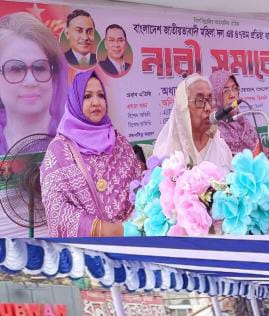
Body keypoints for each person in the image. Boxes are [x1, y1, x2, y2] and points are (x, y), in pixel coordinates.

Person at [41, 69, 143, 238]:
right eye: (87, 96)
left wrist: (132, 224)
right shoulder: (59, 150)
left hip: (129, 238)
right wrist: (104, 230)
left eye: (101, 96)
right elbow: (56, 208)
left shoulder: (120, 142)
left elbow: (139, 189)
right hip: (88, 245)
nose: (96, 102)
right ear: (75, 101)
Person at [0, 12, 67, 156]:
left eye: (40, 68)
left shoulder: (78, 141)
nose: (31, 82)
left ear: (54, 75)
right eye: (15, 69)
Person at [153, 74, 233, 166]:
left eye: (210, 100)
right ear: (184, 108)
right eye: (200, 100)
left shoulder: (220, 147)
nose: (208, 108)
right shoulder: (168, 152)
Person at [208, 70, 259, 155]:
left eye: (235, 89)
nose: (232, 95)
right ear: (215, 95)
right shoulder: (211, 129)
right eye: (226, 91)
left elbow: (260, 154)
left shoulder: (244, 124)